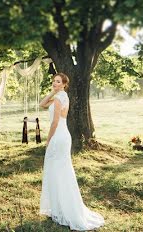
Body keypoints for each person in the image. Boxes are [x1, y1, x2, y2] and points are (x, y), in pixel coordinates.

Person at [39, 72, 105, 230]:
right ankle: (60, 208)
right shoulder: (63, 97)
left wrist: (48, 140)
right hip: (64, 136)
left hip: (58, 136)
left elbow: (55, 122)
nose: (54, 84)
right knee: (60, 172)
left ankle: (64, 210)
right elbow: (42, 104)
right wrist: (53, 92)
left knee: (56, 172)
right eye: (54, 81)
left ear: (64, 84)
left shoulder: (58, 100)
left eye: (58, 82)